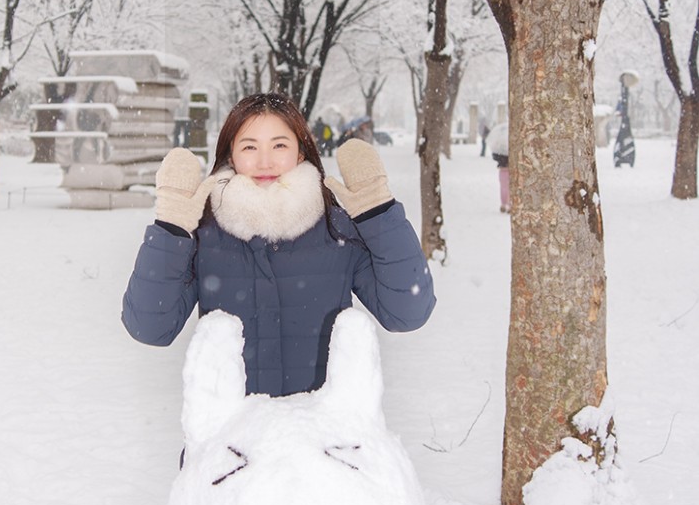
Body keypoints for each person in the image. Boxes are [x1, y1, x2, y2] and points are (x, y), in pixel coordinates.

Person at [122, 92, 435, 397]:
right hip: (230, 438)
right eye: (249, 146)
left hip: (322, 436)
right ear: (231, 154)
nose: (264, 161)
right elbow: (150, 327)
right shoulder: (204, 233)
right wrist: (171, 226)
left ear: (300, 152)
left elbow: (406, 312)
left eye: (279, 145)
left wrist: (378, 211)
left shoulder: (336, 229)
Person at [487, 121, 510, 212]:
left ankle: (503, 204)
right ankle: (510, 204)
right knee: (511, 187)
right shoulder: (512, 145)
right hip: (512, 169)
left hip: (503, 170)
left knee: (503, 187)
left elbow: (494, 157)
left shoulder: (498, 146)